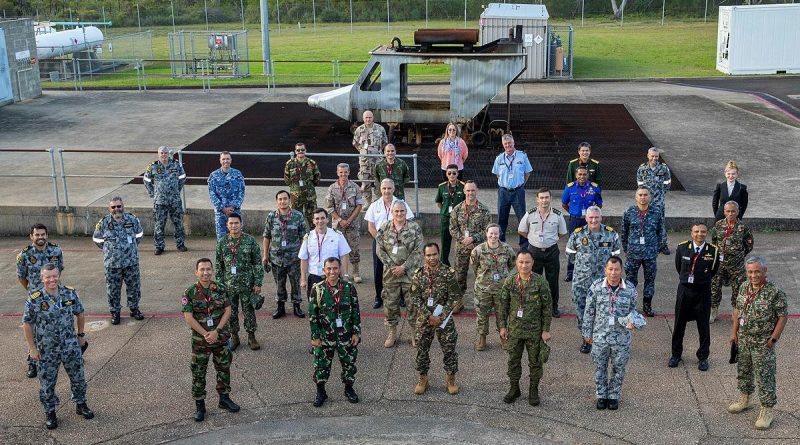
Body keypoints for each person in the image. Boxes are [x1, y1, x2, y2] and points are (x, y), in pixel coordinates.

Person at [22, 264, 93, 429]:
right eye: (48, 277)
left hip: (70, 345)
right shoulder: (35, 298)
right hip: (46, 349)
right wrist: (32, 348)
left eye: (54, 276)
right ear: (42, 278)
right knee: (47, 382)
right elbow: (27, 324)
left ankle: (81, 404)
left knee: (78, 377)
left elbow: (80, 313)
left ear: (59, 275)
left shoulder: (69, 292)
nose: (52, 280)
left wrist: (81, 335)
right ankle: (50, 411)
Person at [727, 256, 787, 430]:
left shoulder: (774, 292)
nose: (753, 275)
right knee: (744, 371)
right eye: (750, 272)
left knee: (764, 376)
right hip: (744, 339)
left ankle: (767, 410)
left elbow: (782, 316)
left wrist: (773, 338)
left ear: (764, 271)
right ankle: (744, 399)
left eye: (756, 272)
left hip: (763, 342)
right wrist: (734, 332)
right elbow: (737, 309)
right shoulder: (744, 286)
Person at [181, 258, 240, 422]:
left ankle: (224, 398)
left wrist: (217, 331)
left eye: (208, 269)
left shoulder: (220, 288)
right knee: (199, 372)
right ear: (196, 272)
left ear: (212, 271)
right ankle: (200, 405)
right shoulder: (189, 293)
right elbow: (188, 317)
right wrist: (206, 334)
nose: (206, 272)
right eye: (202, 269)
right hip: (201, 341)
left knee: (223, 368)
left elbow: (228, 310)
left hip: (220, 337)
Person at [582, 256, 643, 411]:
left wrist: (633, 322)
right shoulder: (596, 287)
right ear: (605, 270)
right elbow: (589, 312)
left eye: (616, 269)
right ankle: (601, 395)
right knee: (599, 367)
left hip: (621, 338)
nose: (613, 273)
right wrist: (586, 334)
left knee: (619, 368)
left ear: (621, 270)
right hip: (600, 336)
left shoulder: (630, 289)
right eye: (610, 269)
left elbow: (633, 311)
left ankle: (614, 395)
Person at [498, 250, 552, 406]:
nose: (524, 265)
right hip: (514, 330)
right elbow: (503, 306)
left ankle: (533, 390)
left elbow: (547, 307)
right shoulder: (510, 282)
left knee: (535, 362)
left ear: (532, 263)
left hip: (534, 331)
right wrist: (502, 326)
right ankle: (514, 388)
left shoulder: (540, 282)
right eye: (521, 262)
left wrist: (546, 329)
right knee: (513, 361)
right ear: (516, 263)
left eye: (527, 262)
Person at [565, 206, 621, 353]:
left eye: (596, 217)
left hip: (603, 283)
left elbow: (616, 257)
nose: (594, 220)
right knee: (582, 312)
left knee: (603, 312)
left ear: (601, 218)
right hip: (581, 282)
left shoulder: (611, 234)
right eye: (591, 218)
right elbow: (570, 255)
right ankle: (586, 339)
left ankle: (603, 340)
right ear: (586, 219)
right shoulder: (577, 235)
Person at [410, 243, 462, 395]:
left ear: (439, 254)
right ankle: (423, 379)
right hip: (425, 318)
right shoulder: (418, 274)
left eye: (434, 254)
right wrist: (428, 315)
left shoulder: (448, 272)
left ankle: (451, 379)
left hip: (444, 319)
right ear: (423, 256)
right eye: (428, 255)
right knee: (421, 350)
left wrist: (442, 316)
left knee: (449, 349)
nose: (432, 258)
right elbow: (414, 296)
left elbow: (455, 296)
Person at [309, 257, 361, 407]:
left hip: (345, 334)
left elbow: (356, 312)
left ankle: (349, 389)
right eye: (329, 269)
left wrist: (356, 332)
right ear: (324, 270)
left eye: (335, 268)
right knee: (321, 365)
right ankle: (321, 391)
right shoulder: (317, 289)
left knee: (349, 364)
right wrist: (315, 337)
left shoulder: (349, 288)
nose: (332, 272)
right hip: (325, 336)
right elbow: (313, 316)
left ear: (340, 269)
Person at [669, 222, 719, 371]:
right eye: (696, 231)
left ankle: (703, 357)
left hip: (702, 292)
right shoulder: (682, 247)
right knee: (679, 325)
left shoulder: (713, 251)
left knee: (703, 326)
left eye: (703, 232)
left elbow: (713, 270)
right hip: (685, 291)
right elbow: (679, 267)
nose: (699, 234)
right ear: (692, 233)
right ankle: (676, 355)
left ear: (706, 233)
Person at [17, 223, 64, 379]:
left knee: (58, 326)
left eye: (43, 234)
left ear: (47, 235)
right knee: (33, 329)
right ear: (31, 237)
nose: (40, 237)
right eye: (37, 235)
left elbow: (59, 271)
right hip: (36, 299)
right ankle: (32, 361)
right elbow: (21, 277)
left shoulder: (56, 250)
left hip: (54, 296)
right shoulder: (24, 255)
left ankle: (63, 356)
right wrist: (33, 292)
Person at [376, 200, 424, 348]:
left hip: (410, 274)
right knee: (390, 305)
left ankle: (414, 334)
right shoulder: (384, 228)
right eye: (396, 211)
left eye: (402, 211)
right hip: (391, 274)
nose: (399, 214)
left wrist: (404, 267)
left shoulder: (414, 228)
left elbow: (418, 250)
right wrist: (392, 267)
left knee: (413, 305)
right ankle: (392, 333)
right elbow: (379, 250)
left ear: (406, 212)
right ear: (392, 212)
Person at [92, 196, 145, 325]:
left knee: (134, 287)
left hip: (130, 262)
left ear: (123, 207)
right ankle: (115, 313)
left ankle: (134, 309)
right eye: (113, 207)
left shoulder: (132, 219)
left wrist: (130, 249)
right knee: (113, 289)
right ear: (109, 209)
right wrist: (109, 251)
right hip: (112, 264)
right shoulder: (103, 223)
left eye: (119, 206)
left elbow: (139, 235)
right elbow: (97, 239)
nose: (117, 209)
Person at [215, 213, 264, 351]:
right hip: (228, 285)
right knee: (231, 312)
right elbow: (219, 265)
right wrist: (219, 285)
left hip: (247, 284)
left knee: (249, 311)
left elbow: (257, 264)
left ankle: (251, 336)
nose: (234, 226)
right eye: (231, 223)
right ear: (227, 225)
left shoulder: (250, 241)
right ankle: (234, 336)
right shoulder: (222, 242)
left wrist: (258, 283)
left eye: (236, 223)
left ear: (241, 224)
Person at [365, 179, 415, 309]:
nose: (386, 191)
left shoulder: (401, 204)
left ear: (393, 189)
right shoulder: (374, 205)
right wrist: (382, 242)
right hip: (379, 243)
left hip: (398, 244)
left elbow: (408, 222)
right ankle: (378, 297)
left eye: (389, 188)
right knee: (378, 270)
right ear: (380, 190)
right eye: (384, 188)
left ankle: (402, 297)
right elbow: (371, 227)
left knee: (399, 269)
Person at [518, 188, 568, 318]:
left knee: (553, 281)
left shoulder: (558, 215)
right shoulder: (530, 214)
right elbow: (521, 230)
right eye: (541, 198)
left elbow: (562, 233)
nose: (544, 200)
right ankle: (533, 307)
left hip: (551, 251)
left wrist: (551, 240)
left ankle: (553, 307)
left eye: (546, 197)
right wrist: (532, 238)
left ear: (550, 199)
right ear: (537, 199)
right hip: (534, 252)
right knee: (532, 281)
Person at [620, 187, 666, 317]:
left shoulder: (656, 212)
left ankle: (647, 306)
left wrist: (657, 249)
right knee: (630, 281)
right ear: (636, 197)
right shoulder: (629, 212)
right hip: (633, 253)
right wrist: (626, 249)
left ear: (649, 197)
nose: (643, 197)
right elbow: (624, 232)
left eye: (645, 195)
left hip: (650, 254)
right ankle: (630, 306)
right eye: (640, 195)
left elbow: (661, 231)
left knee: (650, 280)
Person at [470, 224, 516, 351]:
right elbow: (475, 267)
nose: (493, 236)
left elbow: (512, 264)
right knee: (482, 315)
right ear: (486, 234)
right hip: (483, 289)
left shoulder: (507, 249)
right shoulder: (478, 250)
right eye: (491, 233)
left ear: (499, 234)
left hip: (501, 289)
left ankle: (503, 337)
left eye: (496, 233)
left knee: (502, 314)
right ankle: (482, 338)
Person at [263, 190, 307, 319]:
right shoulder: (271, 216)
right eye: (280, 199)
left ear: (290, 200)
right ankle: (280, 307)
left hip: (294, 258)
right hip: (276, 258)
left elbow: (304, 238)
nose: (283, 201)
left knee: (295, 283)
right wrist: (265, 255)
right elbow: (266, 236)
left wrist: (304, 256)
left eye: (285, 199)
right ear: (277, 201)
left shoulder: (298, 216)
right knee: (279, 283)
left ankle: (297, 306)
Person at [448, 180, 491, 312]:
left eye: (473, 190)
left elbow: (488, 230)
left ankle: (482, 303)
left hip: (479, 249)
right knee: (459, 276)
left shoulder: (484, 210)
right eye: (468, 190)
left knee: (481, 276)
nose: (470, 193)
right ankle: (458, 302)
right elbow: (452, 228)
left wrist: (473, 238)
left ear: (476, 191)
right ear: (464, 191)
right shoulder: (457, 209)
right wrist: (463, 240)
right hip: (461, 248)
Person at [709, 201, 754, 323]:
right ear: (724, 212)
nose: (730, 214)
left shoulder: (743, 228)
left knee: (738, 290)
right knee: (714, 288)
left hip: (736, 265)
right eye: (728, 211)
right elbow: (714, 242)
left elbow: (749, 245)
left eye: (733, 211)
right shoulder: (718, 225)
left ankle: (737, 313)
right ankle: (713, 311)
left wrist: (738, 255)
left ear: (738, 212)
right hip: (719, 264)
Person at [300, 208, 352, 304]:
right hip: (314, 277)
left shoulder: (337, 235)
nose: (320, 221)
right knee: (314, 305)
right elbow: (303, 259)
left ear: (327, 220)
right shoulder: (308, 237)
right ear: (313, 221)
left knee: (334, 304)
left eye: (323, 218)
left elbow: (344, 256)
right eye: (317, 219)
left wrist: (345, 276)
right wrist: (303, 279)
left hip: (333, 276)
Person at [491, 133, 533, 249]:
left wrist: (519, 185)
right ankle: (501, 244)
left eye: (510, 143)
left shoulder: (522, 156)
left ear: (513, 143)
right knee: (502, 219)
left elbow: (527, 173)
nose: (508, 145)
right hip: (503, 192)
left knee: (522, 219)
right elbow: (497, 175)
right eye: (505, 144)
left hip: (518, 192)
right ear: (503, 145)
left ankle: (524, 246)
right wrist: (505, 185)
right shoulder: (499, 158)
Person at [325, 163, 365, 283]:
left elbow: (359, 205)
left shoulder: (355, 187)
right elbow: (329, 207)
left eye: (345, 172)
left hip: (352, 224)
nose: (343, 174)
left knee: (354, 248)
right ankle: (340, 273)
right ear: (337, 173)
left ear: (349, 172)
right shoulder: (332, 188)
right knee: (337, 249)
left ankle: (356, 272)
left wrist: (349, 220)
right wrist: (340, 220)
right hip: (338, 225)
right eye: (341, 172)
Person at [143, 145, 187, 255]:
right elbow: (146, 180)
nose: (164, 155)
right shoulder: (153, 166)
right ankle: (159, 246)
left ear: (169, 154)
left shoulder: (176, 164)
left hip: (174, 200)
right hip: (159, 202)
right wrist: (153, 193)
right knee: (159, 224)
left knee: (178, 224)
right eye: (162, 153)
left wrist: (177, 190)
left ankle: (180, 244)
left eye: (166, 153)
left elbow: (182, 177)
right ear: (158, 154)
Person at [562, 166, 603, 281]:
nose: (582, 177)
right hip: (575, 220)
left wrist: (592, 215)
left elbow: (599, 204)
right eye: (580, 174)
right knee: (573, 245)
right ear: (576, 175)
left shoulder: (594, 188)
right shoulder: (569, 188)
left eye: (584, 174)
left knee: (591, 243)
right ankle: (570, 271)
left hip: (590, 221)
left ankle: (591, 269)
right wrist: (573, 212)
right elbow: (564, 204)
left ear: (587, 175)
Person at [636, 147, 672, 255]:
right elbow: (640, 184)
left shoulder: (663, 168)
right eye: (652, 156)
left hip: (659, 201)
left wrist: (660, 193)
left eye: (656, 156)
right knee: (644, 222)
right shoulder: (642, 169)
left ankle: (662, 244)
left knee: (660, 222)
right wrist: (643, 197)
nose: (654, 158)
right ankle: (647, 244)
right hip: (645, 201)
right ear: (648, 155)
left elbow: (668, 182)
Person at [208, 151, 246, 240]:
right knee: (221, 239)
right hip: (220, 212)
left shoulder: (237, 174)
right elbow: (212, 193)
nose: (226, 161)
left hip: (235, 212)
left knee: (236, 237)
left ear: (231, 160)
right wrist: (222, 208)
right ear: (220, 160)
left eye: (228, 159)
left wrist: (233, 206)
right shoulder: (213, 175)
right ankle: (222, 254)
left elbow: (242, 191)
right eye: (223, 159)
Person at [352, 110, 388, 203]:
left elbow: (384, 142)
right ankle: (367, 202)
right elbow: (355, 143)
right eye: (366, 118)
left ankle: (379, 202)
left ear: (373, 118)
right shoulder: (359, 130)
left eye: (370, 117)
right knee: (365, 182)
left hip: (378, 161)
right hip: (365, 162)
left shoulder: (380, 129)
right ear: (363, 119)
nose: (368, 119)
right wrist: (363, 152)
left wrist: (377, 152)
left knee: (378, 181)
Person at [284, 142, 321, 229]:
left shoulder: (312, 163)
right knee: (295, 219)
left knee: (313, 219)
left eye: (302, 150)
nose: (300, 151)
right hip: (295, 197)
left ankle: (314, 238)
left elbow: (317, 179)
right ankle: (298, 239)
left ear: (305, 150)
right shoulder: (290, 164)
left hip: (310, 196)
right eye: (298, 150)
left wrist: (309, 187)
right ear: (295, 151)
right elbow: (287, 180)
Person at [435, 164, 466, 266]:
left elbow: (466, 202)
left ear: (457, 174)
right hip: (446, 218)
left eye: (454, 173)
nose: (452, 175)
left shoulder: (463, 186)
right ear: (446, 174)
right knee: (445, 242)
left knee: (461, 242)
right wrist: (447, 211)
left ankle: (460, 265)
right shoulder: (442, 187)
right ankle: (445, 264)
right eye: (449, 173)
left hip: (459, 219)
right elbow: (439, 203)